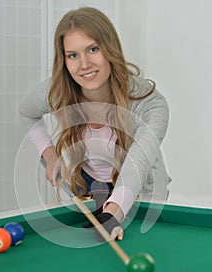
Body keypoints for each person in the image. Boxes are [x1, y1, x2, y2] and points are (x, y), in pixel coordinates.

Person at [19, 6, 171, 241]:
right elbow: (27, 113)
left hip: (140, 191)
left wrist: (112, 213)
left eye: (93, 49)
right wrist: (49, 155)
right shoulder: (57, 91)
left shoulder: (150, 103)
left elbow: (137, 164)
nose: (84, 64)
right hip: (87, 189)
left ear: (110, 49)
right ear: (64, 60)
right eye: (73, 55)